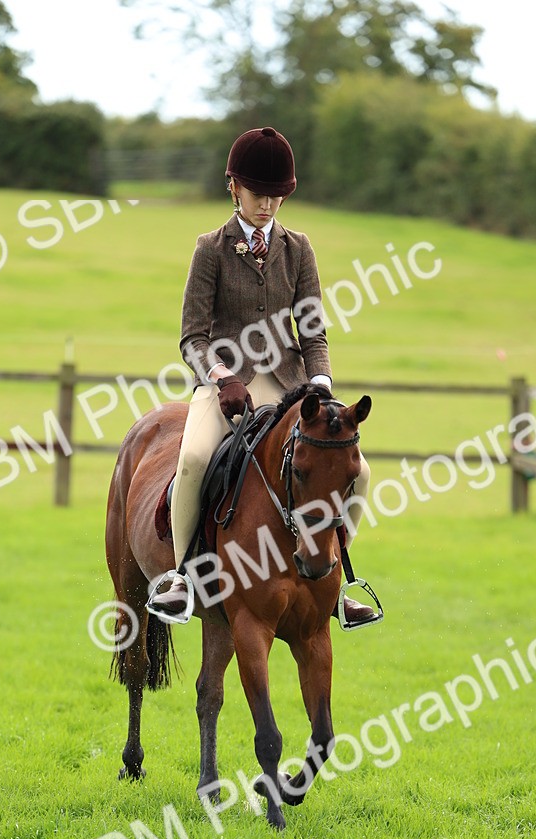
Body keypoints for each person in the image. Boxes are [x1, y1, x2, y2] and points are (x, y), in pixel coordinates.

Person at [148, 125, 379, 627]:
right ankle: (181, 580)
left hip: (290, 386)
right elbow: (192, 335)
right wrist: (218, 374)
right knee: (190, 460)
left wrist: (320, 385)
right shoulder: (210, 248)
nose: (268, 206)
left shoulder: (299, 250)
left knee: (359, 472)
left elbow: (313, 333)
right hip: (225, 384)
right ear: (234, 187)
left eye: (277, 196)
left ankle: (339, 584)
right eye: (259, 195)